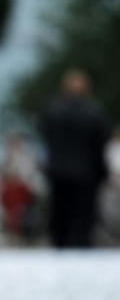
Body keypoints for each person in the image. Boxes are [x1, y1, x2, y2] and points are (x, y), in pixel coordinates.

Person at [39, 69, 111, 248]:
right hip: (85, 173)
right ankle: (79, 246)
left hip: (58, 172)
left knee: (59, 213)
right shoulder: (93, 112)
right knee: (82, 216)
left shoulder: (53, 111)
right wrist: (102, 171)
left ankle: (60, 246)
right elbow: (99, 144)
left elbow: (46, 136)